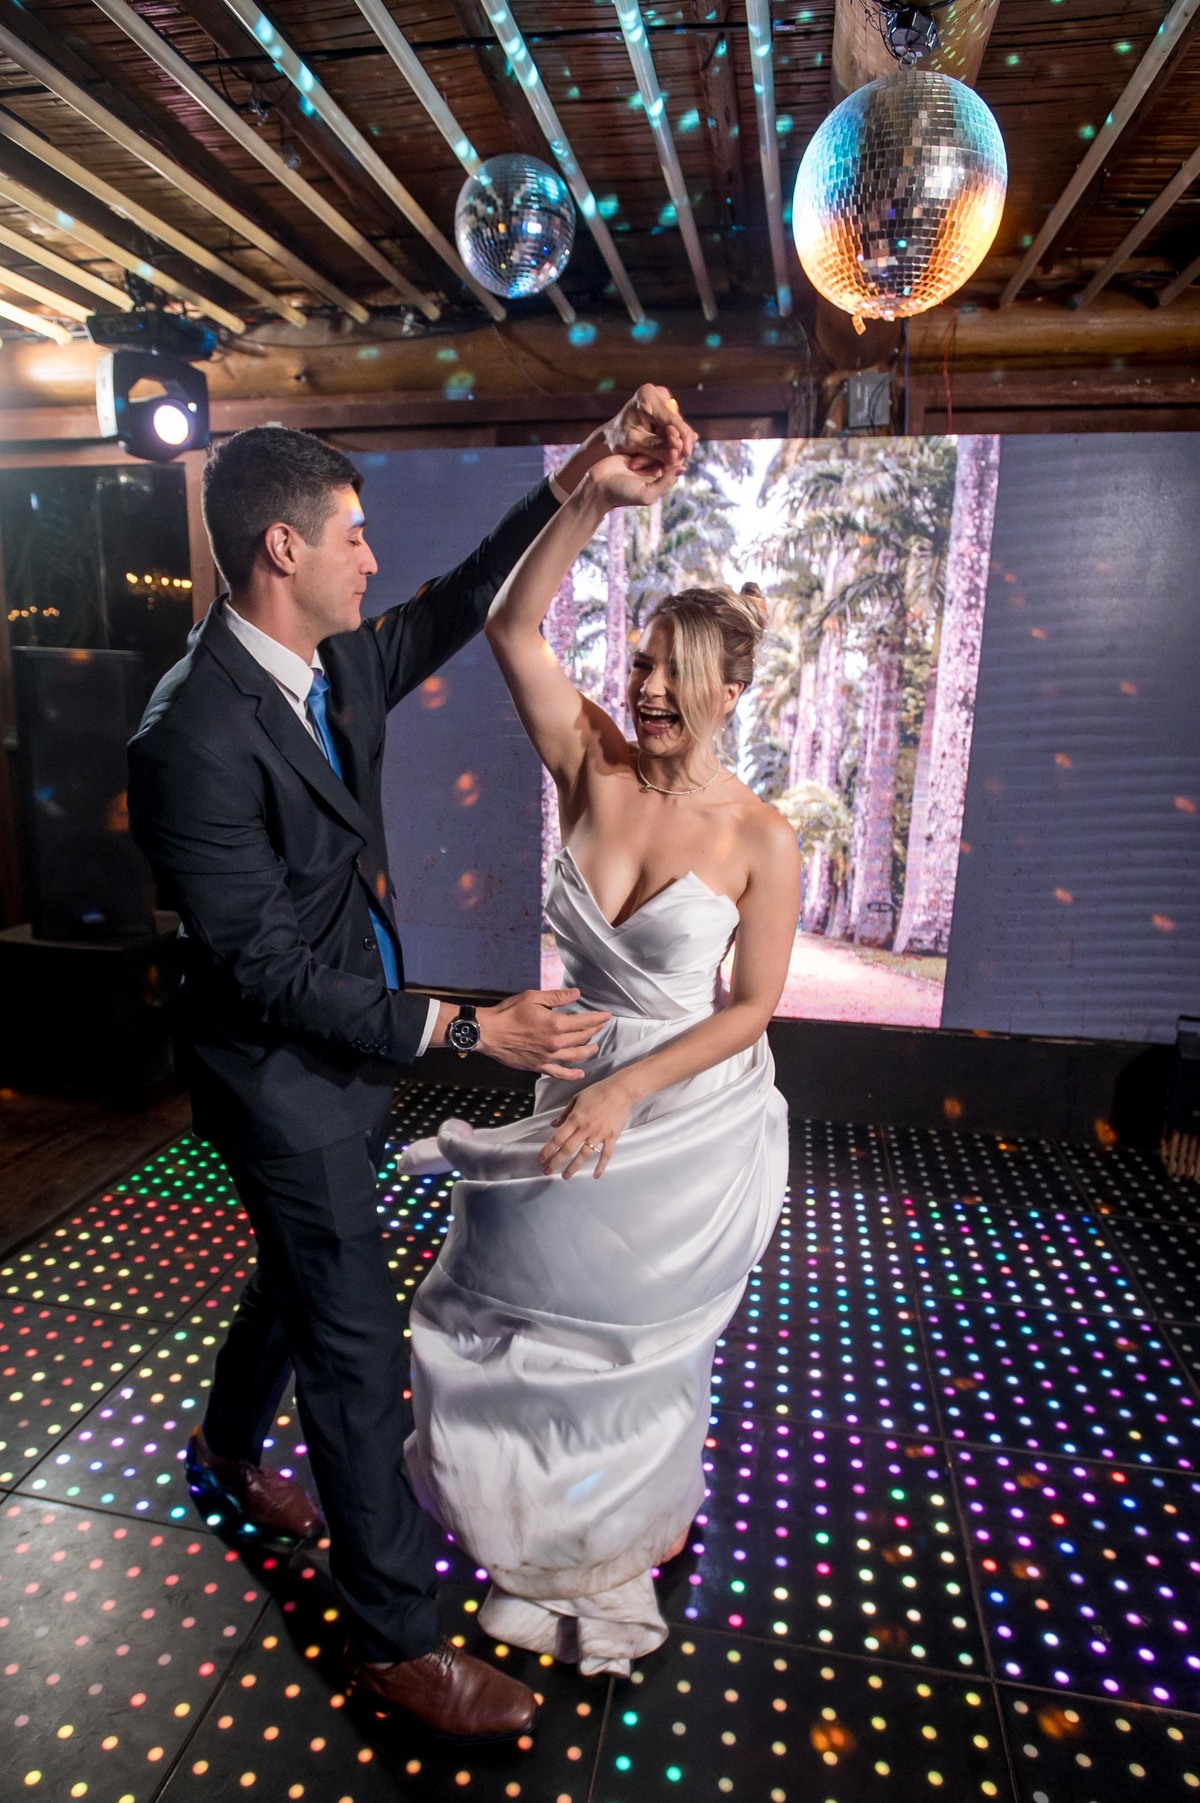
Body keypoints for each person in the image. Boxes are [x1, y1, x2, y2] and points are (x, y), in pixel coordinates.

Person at [125, 389, 687, 1740]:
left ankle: (221, 1449)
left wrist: (581, 473)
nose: (373, 560)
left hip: (351, 1047)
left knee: (298, 1275)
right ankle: (395, 1640)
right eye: (354, 537)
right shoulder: (188, 735)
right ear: (282, 550)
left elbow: (465, 591)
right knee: (355, 1339)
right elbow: (264, 973)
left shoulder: (333, 662)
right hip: (275, 1074)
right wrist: (468, 1029)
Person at [402, 434, 802, 1676]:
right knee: (526, 1325)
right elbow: (511, 627)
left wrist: (628, 1088)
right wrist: (593, 497)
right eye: (640, 662)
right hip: (569, 1085)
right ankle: (528, 1535)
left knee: (633, 1349)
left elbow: (754, 1005)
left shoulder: (763, 839)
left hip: (678, 1117)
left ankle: (621, 1540)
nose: (650, 688)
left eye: (677, 672)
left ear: (731, 691)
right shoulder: (590, 763)